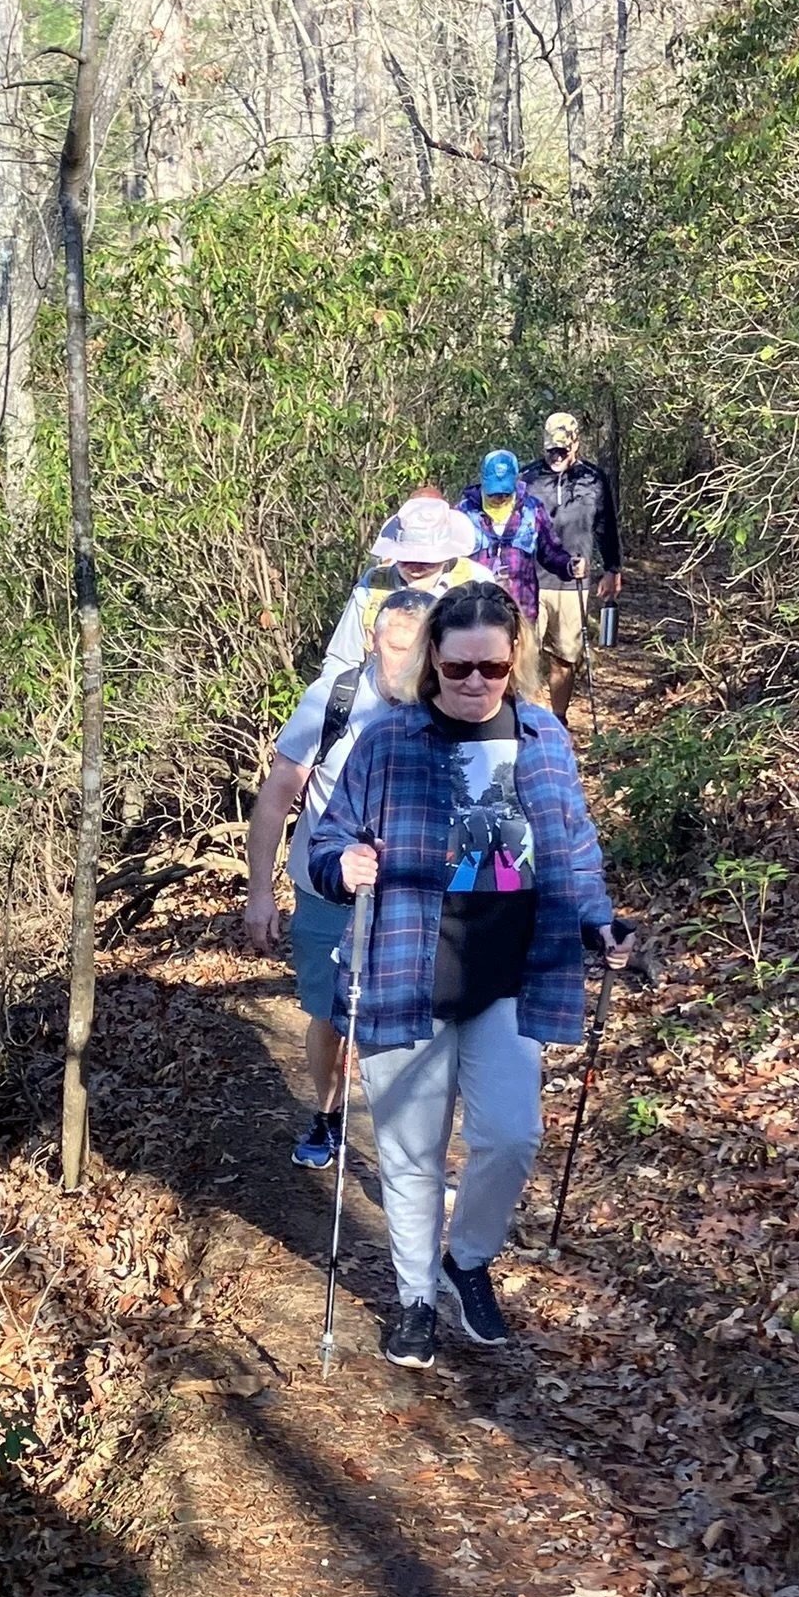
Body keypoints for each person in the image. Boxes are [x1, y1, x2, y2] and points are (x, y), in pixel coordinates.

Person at [308, 581, 633, 1370]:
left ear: (514, 658)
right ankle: (416, 1298)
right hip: (405, 965)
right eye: (459, 669)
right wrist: (340, 865)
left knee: (511, 1135)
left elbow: (575, 849)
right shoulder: (387, 741)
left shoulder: (545, 737)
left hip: (513, 970)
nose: (476, 683)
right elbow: (326, 842)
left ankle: (468, 1257)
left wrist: (601, 922)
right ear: (432, 665)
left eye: (491, 667)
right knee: (413, 1154)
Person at [246, 588, 436, 1168]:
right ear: (372, 638)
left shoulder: (447, 702)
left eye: (415, 647)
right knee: (329, 1012)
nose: (402, 660)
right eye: (393, 645)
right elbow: (278, 795)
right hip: (325, 884)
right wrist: (260, 892)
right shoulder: (333, 698)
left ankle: (408, 1149)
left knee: (410, 1019)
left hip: (412, 892)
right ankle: (327, 1117)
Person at [520, 411, 623, 723]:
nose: (557, 455)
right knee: (523, 655)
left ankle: (558, 720)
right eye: (551, 448)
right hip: (529, 582)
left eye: (563, 449)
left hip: (573, 583)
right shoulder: (526, 479)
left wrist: (612, 567)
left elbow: (607, 525)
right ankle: (523, 719)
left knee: (565, 655)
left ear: (576, 444)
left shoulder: (594, 479)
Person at [325, 491, 480, 672]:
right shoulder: (374, 585)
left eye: (426, 562)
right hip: (380, 696)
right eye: (406, 559)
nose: (415, 568)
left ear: (446, 555)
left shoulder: (474, 583)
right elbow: (342, 660)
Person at [457, 450, 584, 626]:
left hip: (521, 612)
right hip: (473, 614)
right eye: (493, 492)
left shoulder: (532, 511)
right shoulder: (463, 513)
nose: (499, 498)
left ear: (517, 481)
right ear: (483, 481)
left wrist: (569, 566)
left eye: (505, 492)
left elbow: (550, 552)